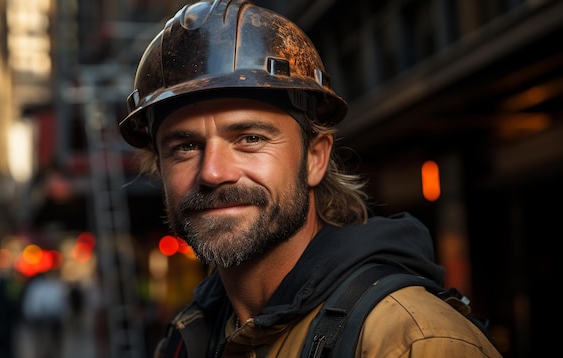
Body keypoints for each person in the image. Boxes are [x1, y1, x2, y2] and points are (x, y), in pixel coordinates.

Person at [118, 0, 504, 357]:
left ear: (315, 158)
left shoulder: (409, 340)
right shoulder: (188, 338)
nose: (213, 172)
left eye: (250, 138)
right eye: (185, 147)